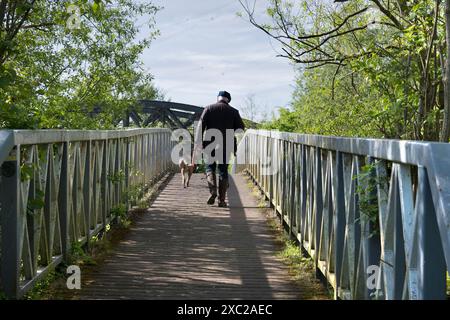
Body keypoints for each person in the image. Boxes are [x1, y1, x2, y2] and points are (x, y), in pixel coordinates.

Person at [194, 90, 245, 207]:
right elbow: (240, 129)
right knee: (223, 170)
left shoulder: (208, 108)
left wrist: (198, 142)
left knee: (209, 168)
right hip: (226, 144)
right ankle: (222, 201)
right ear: (228, 100)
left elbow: (200, 126)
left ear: (218, 98)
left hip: (209, 143)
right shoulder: (233, 111)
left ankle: (213, 191)